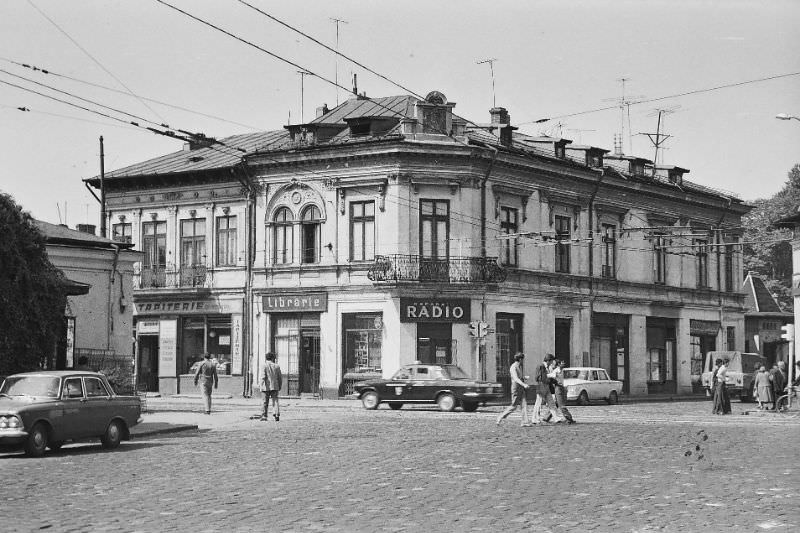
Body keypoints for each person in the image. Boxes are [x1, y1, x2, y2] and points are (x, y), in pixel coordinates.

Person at [496, 353, 532, 427]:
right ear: (520, 359)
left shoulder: (519, 367)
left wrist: (524, 378)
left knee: (524, 404)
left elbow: (519, 377)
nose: (523, 361)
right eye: (522, 359)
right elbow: (515, 378)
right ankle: (500, 416)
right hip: (516, 388)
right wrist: (524, 384)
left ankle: (525, 422)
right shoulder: (513, 367)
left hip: (521, 388)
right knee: (514, 406)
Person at [532, 354, 563, 424]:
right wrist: (547, 378)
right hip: (541, 386)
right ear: (549, 360)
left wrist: (554, 381)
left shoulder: (547, 367)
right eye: (552, 361)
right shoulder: (540, 366)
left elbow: (548, 377)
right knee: (538, 403)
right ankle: (535, 419)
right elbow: (537, 378)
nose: (552, 363)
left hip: (546, 386)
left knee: (551, 403)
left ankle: (556, 418)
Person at [549, 359, 575, 424]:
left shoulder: (562, 370)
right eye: (562, 363)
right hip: (558, 388)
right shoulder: (556, 371)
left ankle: (546, 417)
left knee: (557, 404)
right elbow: (549, 376)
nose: (564, 364)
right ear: (558, 364)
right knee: (561, 404)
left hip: (561, 387)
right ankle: (568, 418)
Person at [260, 352, 283, 421]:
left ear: (266, 358)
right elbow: (280, 378)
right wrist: (279, 386)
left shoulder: (264, 365)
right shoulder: (277, 366)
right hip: (275, 386)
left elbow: (263, 377)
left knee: (265, 402)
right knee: (275, 401)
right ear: (273, 358)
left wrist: (261, 385)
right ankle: (276, 414)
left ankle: (264, 416)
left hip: (265, 387)